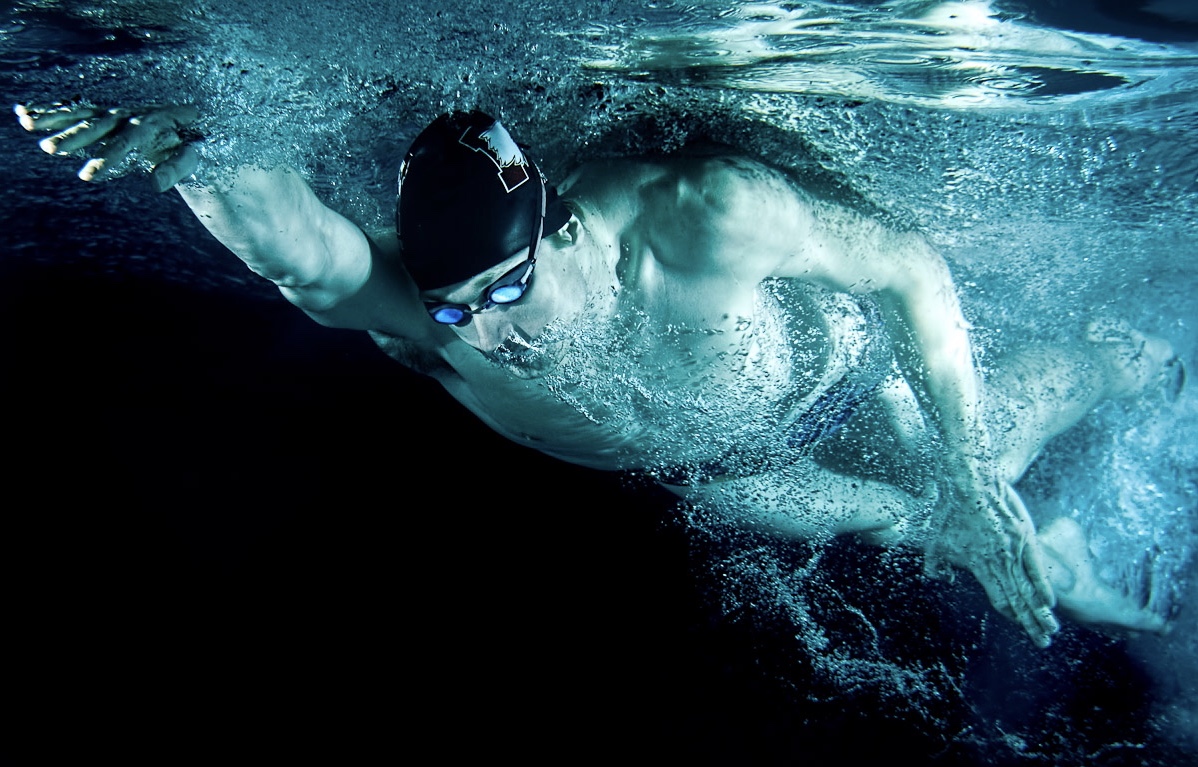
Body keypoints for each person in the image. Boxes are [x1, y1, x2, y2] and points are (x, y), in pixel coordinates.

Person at [17, 102, 1181, 646]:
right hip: (734, 468)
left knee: (979, 454)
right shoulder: (443, 312)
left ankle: (1120, 365)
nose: (484, 337)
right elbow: (307, 255)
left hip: (835, 385)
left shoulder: (702, 214)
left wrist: (964, 465)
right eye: (453, 307)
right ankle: (1052, 564)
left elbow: (911, 271)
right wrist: (202, 145)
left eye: (500, 293)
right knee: (897, 524)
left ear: (565, 230)